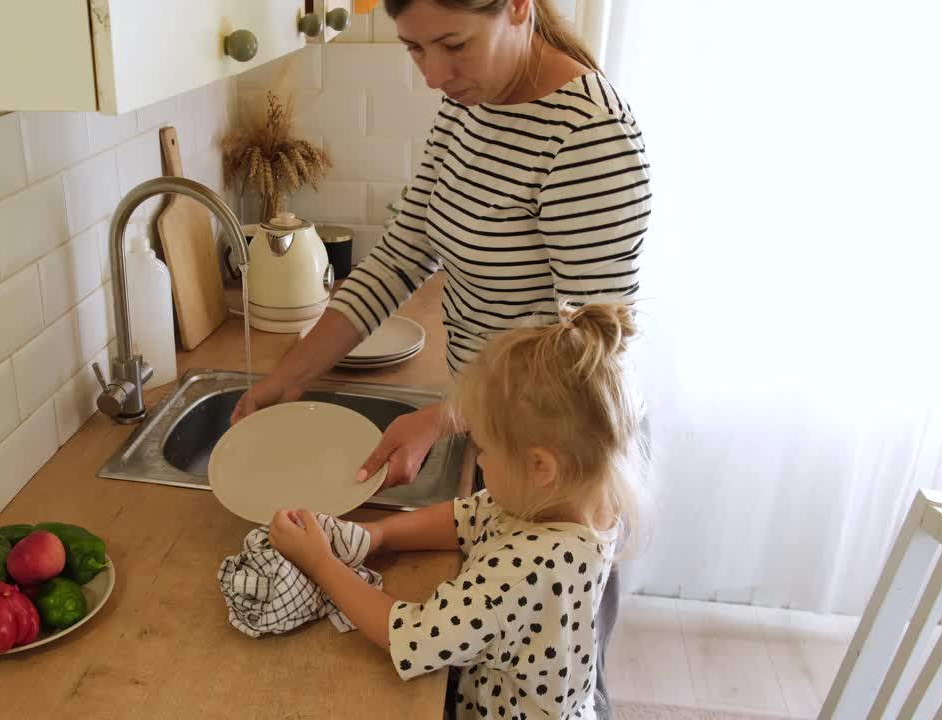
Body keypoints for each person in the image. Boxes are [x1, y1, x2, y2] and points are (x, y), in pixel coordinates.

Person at [232, 0, 649, 710]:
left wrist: (444, 417)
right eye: (414, 49)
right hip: (494, 432)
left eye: (452, 45)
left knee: (557, 686)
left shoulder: (590, 140)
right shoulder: (473, 101)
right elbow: (403, 251)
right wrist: (290, 372)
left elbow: (582, 362)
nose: (434, 75)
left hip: (558, 456)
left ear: (518, 8)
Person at [269, 304, 646, 720]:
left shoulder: (524, 571)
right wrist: (379, 536)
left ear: (541, 466)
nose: (480, 462)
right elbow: (466, 517)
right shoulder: (574, 506)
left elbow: (411, 637)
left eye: (484, 449)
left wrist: (320, 564)